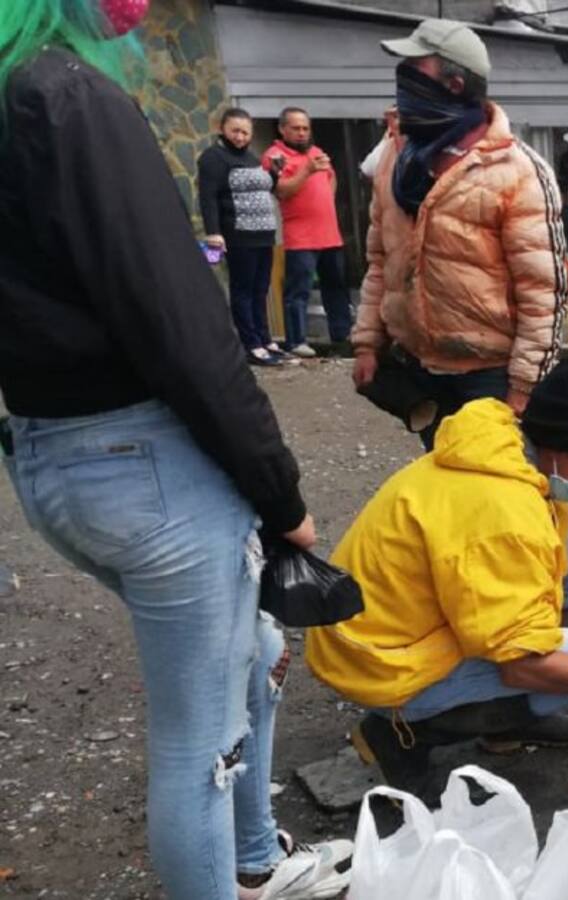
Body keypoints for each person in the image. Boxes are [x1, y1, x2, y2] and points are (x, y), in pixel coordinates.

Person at [0, 4, 352, 898]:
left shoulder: (18, 102)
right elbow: (182, 325)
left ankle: (257, 864)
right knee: (200, 749)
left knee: (256, 645)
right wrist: (281, 494)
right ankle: (232, 868)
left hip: (48, 459)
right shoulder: (69, 95)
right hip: (145, 461)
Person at [307, 360, 568, 798]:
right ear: (564, 448)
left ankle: (516, 719)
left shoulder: (507, 454)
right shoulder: (504, 511)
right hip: (379, 662)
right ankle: (401, 736)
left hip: (390, 625)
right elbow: (519, 665)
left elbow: (541, 577)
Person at [351, 19, 568, 448]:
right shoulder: (396, 160)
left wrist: (522, 388)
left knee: (498, 492)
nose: (403, 81)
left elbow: (543, 291)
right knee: (447, 484)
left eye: (415, 70)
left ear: (453, 84)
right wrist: (366, 343)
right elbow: (381, 261)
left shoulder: (516, 171)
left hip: (488, 376)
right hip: (420, 367)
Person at [197, 107, 287, 367]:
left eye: (245, 132)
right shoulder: (214, 158)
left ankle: (265, 339)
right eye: (235, 131)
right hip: (238, 234)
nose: (240, 136)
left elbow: (261, 187)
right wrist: (214, 232)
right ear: (222, 129)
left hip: (263, 234)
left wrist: (273, 173)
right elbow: (208, 197)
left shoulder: (251, 157)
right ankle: (250, 344)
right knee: (243, 290)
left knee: (261, 290)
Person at [264, 107, 353, 358]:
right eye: (296, 128)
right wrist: (306, 171)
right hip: (300, 237)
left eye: (305, 128)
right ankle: (296, 341)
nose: (302, 133)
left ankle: (342, 336)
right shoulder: (275, 156)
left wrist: (325, 199)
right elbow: (281, 190)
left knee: (336, 287)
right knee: (299, 291)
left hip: (330, 234)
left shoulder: (317, 153)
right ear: (283, 129)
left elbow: (331, 178)